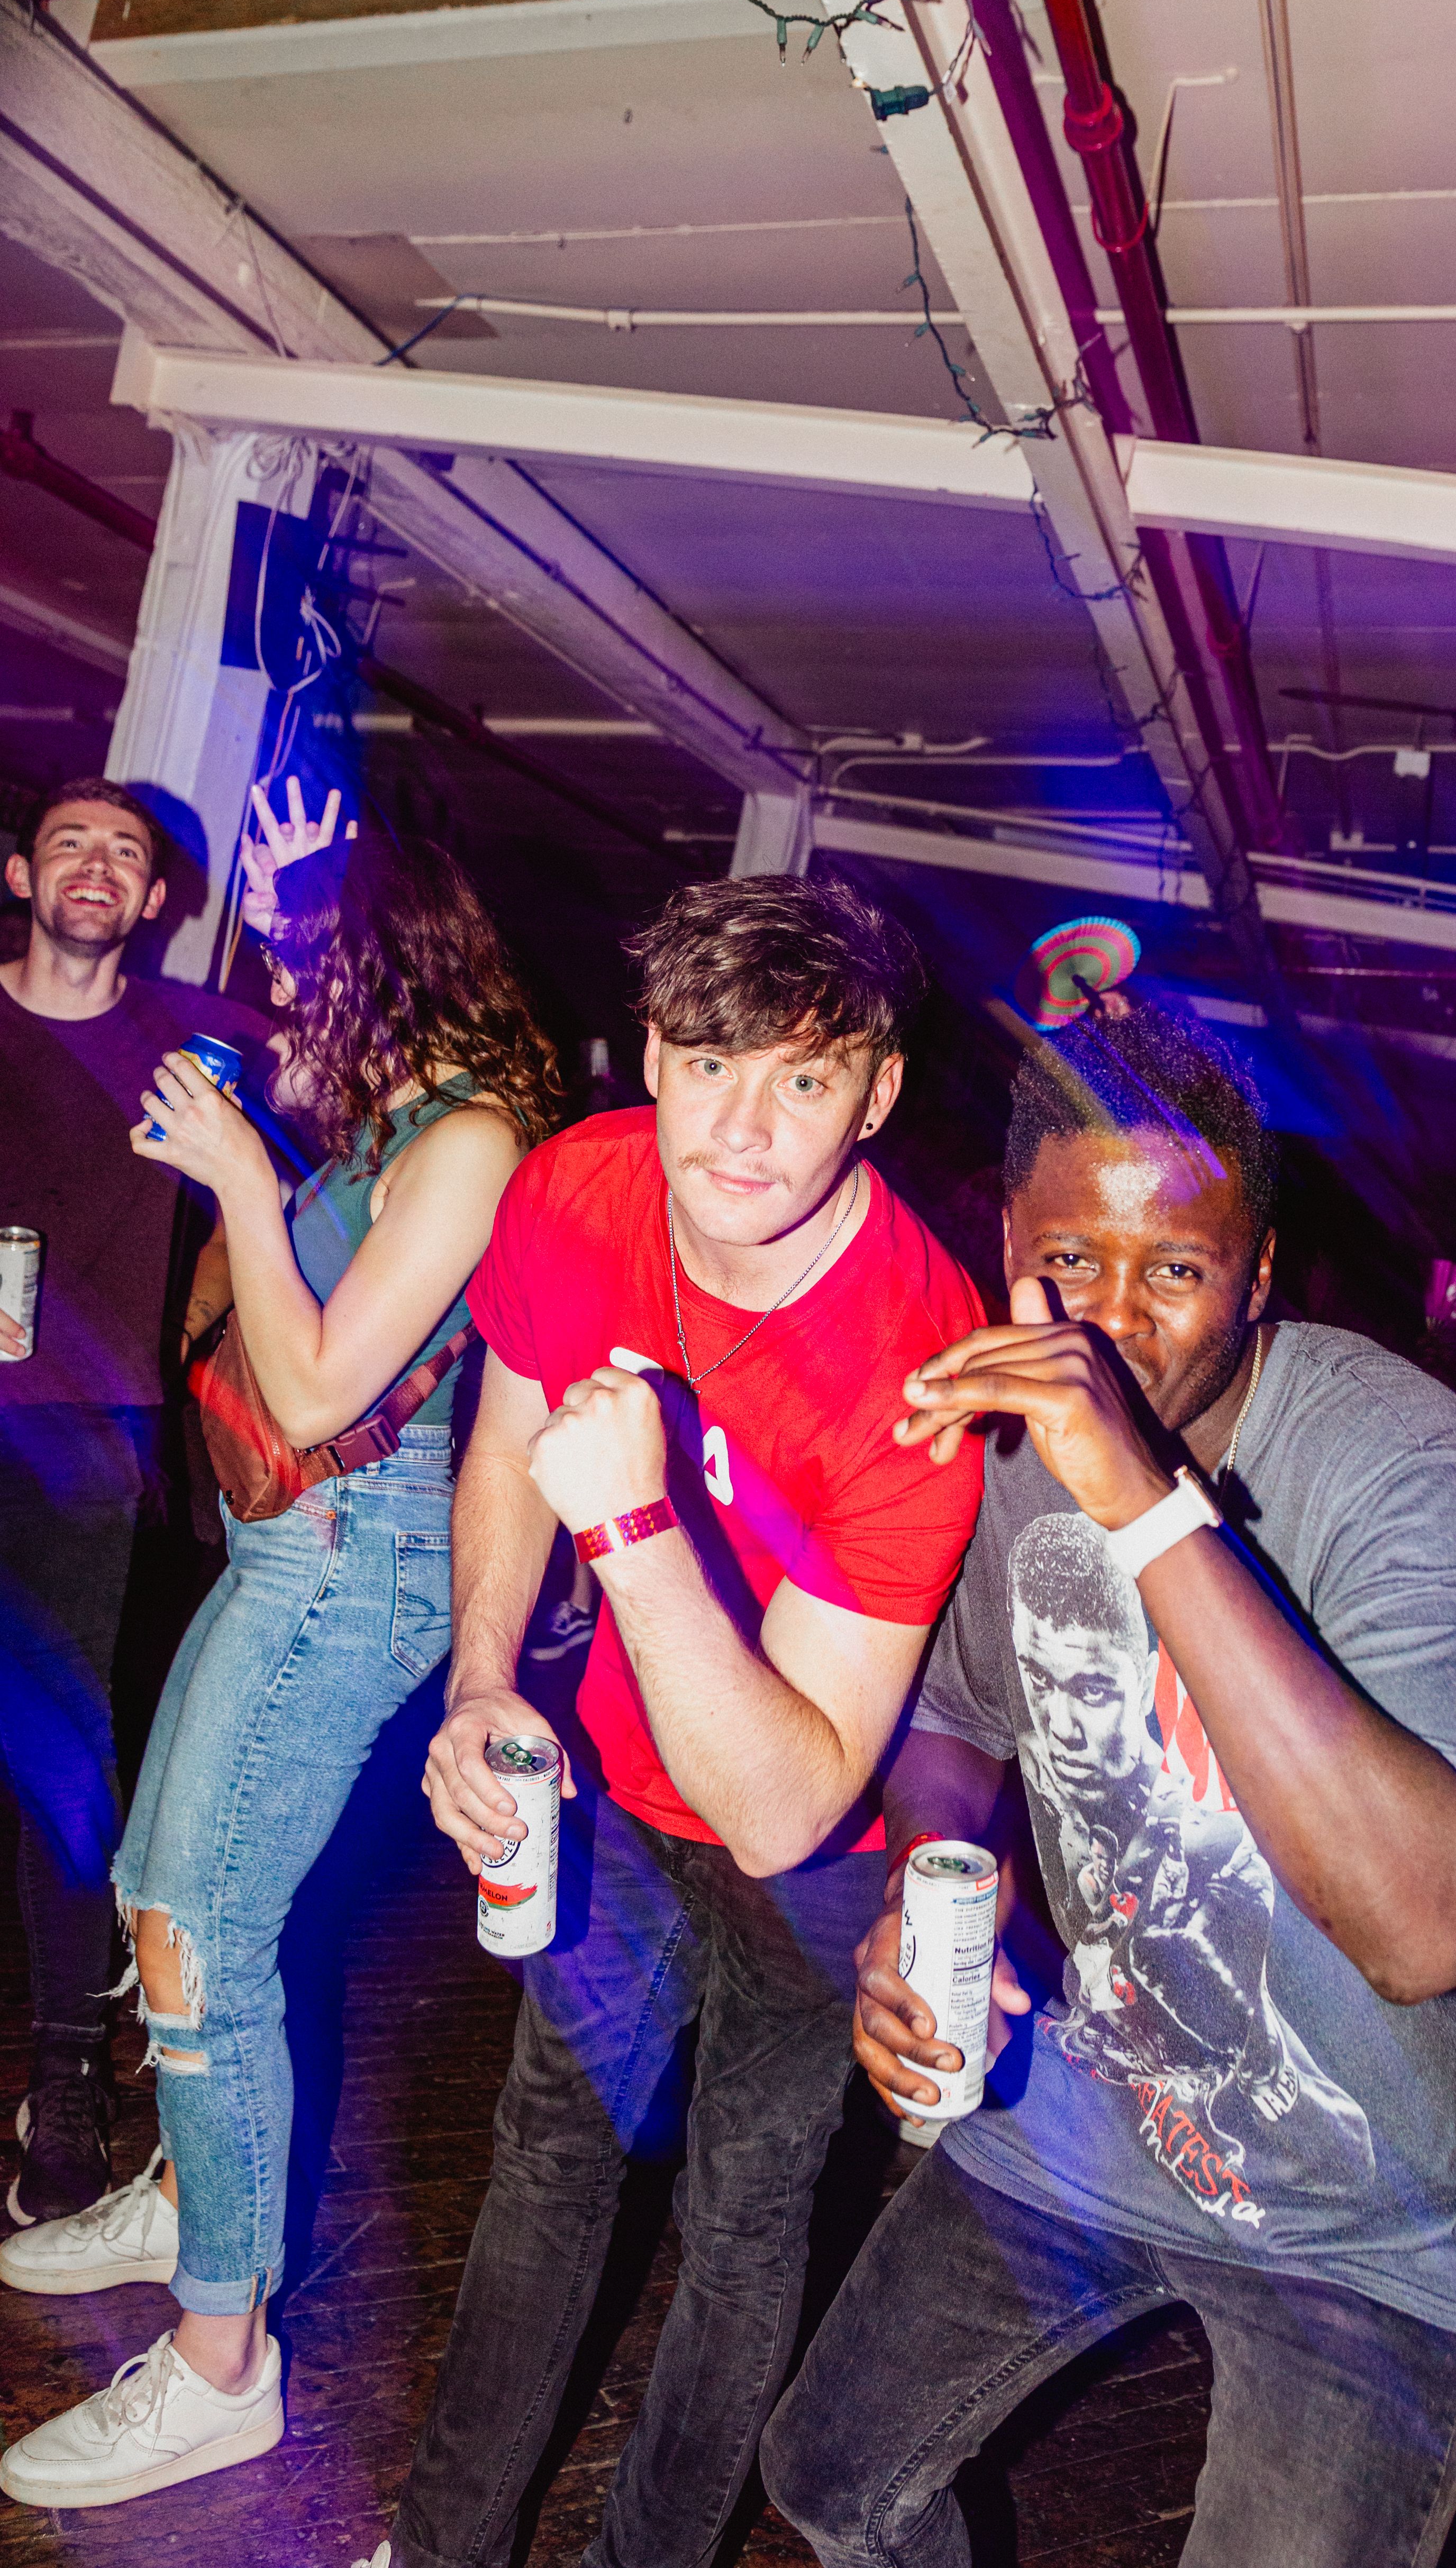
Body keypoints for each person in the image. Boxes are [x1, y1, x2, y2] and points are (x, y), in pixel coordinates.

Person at [762, 999, 1456, 2568]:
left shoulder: (1401, 1461)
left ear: (1258, 1275)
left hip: (1374, 2212)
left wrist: (1135, 1494)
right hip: (1098, 2100)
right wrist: (933, 1890)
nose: (1109, 1325)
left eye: (1175, 1272)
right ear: (1008, 1243)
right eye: (1069, 1264)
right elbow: (957, 1718)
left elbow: (1425, 1931)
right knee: (830, 2478)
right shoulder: (997, 1439)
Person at [364, 873, 985, 2568]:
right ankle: (441, 2548)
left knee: (742, 2220)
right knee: (549, 2158)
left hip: (819, 1849)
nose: (744, 1128)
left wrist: (634, 1526)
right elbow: (510, 1442)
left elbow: (789, 1801)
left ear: (877, 1094)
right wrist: (484, 1678)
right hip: (620, 1783)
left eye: (805, 1078)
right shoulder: (577, 1187)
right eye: (710, 1065)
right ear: (650, 1053)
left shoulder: (920, 1365)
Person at [0, 815, 558, 2511]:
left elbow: (318, 1393)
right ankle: (195, 2195)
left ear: (388, 964)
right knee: (161, 1890)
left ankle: (224, 2361)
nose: (289, 997)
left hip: (344, 1566)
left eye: (311, 965)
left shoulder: (470, 1140)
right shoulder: (394, 1128)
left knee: (202, 1938)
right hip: (278, 1553)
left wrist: (243, 1177)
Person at [0, 775, 263, 2226]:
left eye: (125, 853)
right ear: (22, 876)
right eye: (69, 845)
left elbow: (360, 1104)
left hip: (91, 1445)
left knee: (62, 1766)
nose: (95, 867)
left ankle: (66, 2086)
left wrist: (198, 1322)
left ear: (157, 901)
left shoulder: (194, 1048)